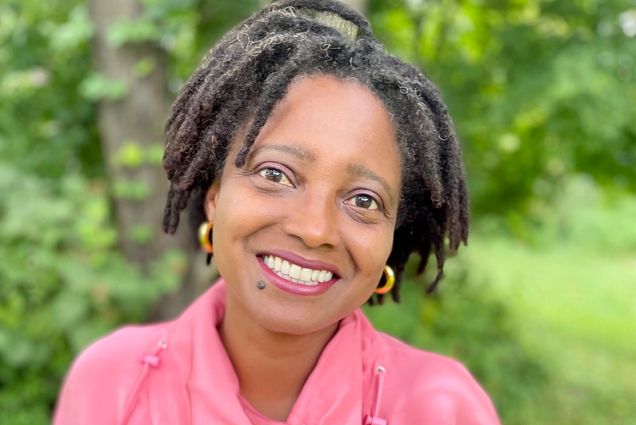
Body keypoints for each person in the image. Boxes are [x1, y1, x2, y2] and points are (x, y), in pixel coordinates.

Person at [54, 1, 500, 424]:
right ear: (215, 195)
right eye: (276, 174)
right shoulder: (111, 383)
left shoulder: (442, 408)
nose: (313, 229)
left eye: (363, 200)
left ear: (392, 237)